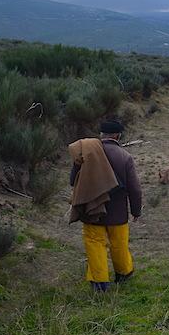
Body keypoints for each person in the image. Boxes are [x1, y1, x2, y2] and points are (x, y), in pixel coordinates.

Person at [69, 120, 142, 292]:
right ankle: (123, 274)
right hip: (118, 213)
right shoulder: (125, 157)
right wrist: (136, 210)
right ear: (118, 136)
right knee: (119, 243)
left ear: (101, 134)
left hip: (92, 212)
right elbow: (135, 189)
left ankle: (100, 283)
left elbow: (73, 181)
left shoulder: (86, 152)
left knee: (95, 243)